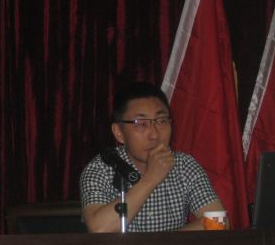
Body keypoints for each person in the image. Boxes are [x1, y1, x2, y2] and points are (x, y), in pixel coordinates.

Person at [79, 81, 224, 232]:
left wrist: (163, 243)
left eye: (161, 121)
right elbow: (99, 229)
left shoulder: (183, 165)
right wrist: (151, 179)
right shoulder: (101, 169)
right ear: (119, 133)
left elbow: (219, 222)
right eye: (141, 124)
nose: (154, 135)